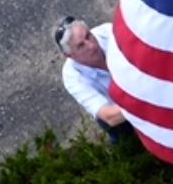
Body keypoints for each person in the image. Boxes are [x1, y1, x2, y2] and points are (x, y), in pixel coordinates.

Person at [55, 16, 133, 144]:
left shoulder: (108, 32)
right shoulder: (72, 77)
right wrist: (147, 102)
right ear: (69, 56)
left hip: (135, 88)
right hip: (116, 112)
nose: (91, 46)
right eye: (81, 46)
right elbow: (109, 116)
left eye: (88, 36)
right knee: (123, 140)